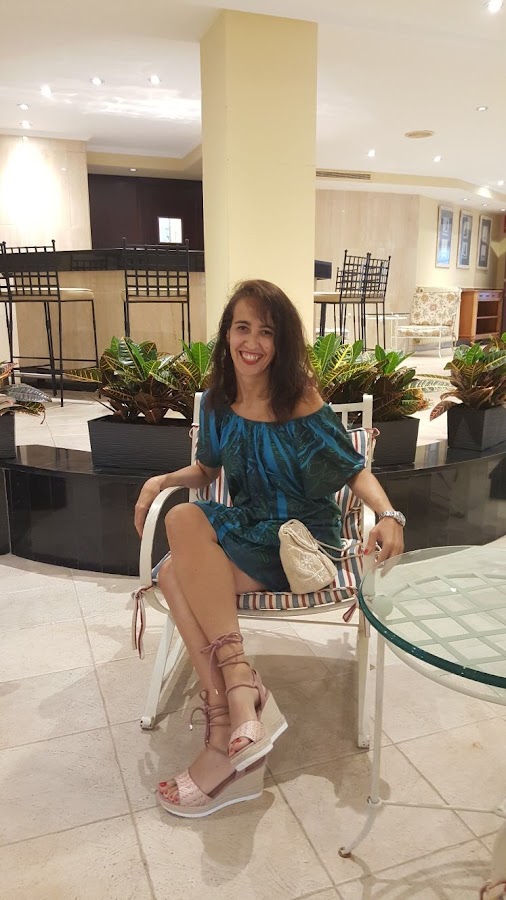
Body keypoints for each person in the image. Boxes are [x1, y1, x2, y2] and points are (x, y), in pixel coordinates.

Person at [134, 278, 404, 818]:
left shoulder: (299, 399)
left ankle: (229, 717)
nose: (252, 342)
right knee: (183, 520)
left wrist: (389, 514)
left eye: (266, 332)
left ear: (282, 343)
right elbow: (207, 469)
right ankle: (236, 702)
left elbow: (352, 469)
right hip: (248, 526)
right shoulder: (218, 403)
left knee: (173, 574)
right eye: (243, 328)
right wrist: (160, 480)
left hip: (298, 541)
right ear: (227, 334)